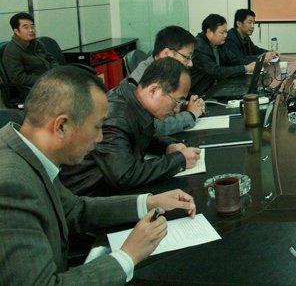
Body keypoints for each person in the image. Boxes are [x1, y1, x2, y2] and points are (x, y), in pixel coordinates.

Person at [0, 66, 196, 285]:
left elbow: (73, 209)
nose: (100, 138)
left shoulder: (28, 154)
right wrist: (128, 256)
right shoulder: (10, 183)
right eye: (97, 126)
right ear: (62, 126)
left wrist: (149, 202)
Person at [60, 58, 201, 196]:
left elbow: (140, 134)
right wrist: (179, 161)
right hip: (91, 197)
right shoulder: (116, 117)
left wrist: (167, 146)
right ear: (154, 90)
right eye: (177, 101)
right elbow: (124, 176)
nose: (177, 109)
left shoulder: (133, 100)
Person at [128, 25, 205, 135]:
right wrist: (191, 114)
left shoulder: (165, 72)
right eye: (187, 57)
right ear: (167, 53)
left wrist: (189, 104)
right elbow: (154, 126)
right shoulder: (141, 80)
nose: (190, 64)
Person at [190, 14, 256, 96]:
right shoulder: (199, 48)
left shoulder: (220, 44)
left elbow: (234, 60)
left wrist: (257, 61)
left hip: (218, 87)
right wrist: (246, 68)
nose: (225, 35)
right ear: (209, 32)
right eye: (222, 33)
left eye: (226, 32)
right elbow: (216, 72)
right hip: (202, 94)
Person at [2, 12, 58, 85]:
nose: (31, 30)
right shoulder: (12, 50)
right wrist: (45, 79)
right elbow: (18, 78)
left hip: (52, 79)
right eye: (26, 27)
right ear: (16, 31)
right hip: (36, 86)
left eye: (32, 26)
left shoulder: (37, 43)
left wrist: (56, 72)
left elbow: (52, 60)